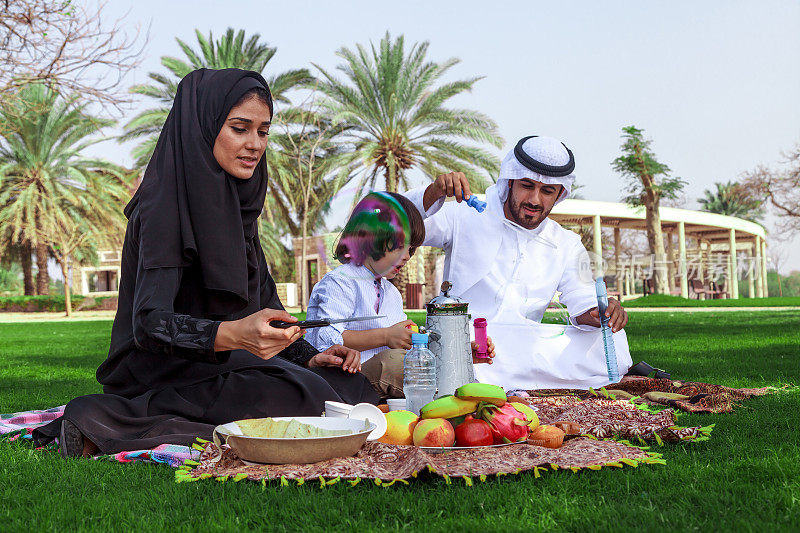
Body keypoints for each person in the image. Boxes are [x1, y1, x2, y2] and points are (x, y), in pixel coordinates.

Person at [34, 69, 378, 458]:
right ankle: (108, 418)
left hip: (224, 364)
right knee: (300, 397)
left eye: (263, 131)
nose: (254, 144)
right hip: (161, 369)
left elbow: (266, 307)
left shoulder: (239, 210)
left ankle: (140, 424)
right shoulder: (162, 208)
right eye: (239, 128)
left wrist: (310, 355)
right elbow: (148, 325)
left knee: (343, 387)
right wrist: (234, 335)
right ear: (204, 127)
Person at [404, 135, 632, 390]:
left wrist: (602, 311)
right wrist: (432, 193)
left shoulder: (565, 242)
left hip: (525, 345)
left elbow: (583, 300)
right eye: (527, 186)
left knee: (612, 342)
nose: (535, 200)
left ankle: (495, 379)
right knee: (456, 348)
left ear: (559, 194)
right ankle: (507, 379)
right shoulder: (464, 214)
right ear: (510, 182)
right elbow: (398, 224)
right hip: (465, 339)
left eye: (547, 191)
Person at [304, 191, 495, 399]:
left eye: (411, 250)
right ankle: (458, 398)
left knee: (414, 362)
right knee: (396, 362)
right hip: (343, 382)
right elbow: (324, 339)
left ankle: (468, 396)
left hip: (379, 384)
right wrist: (386, 336)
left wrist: (459, 355)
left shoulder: (390, 292)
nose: (406, 257)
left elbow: (411, 345)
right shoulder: (341, 281)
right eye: (398, 247)